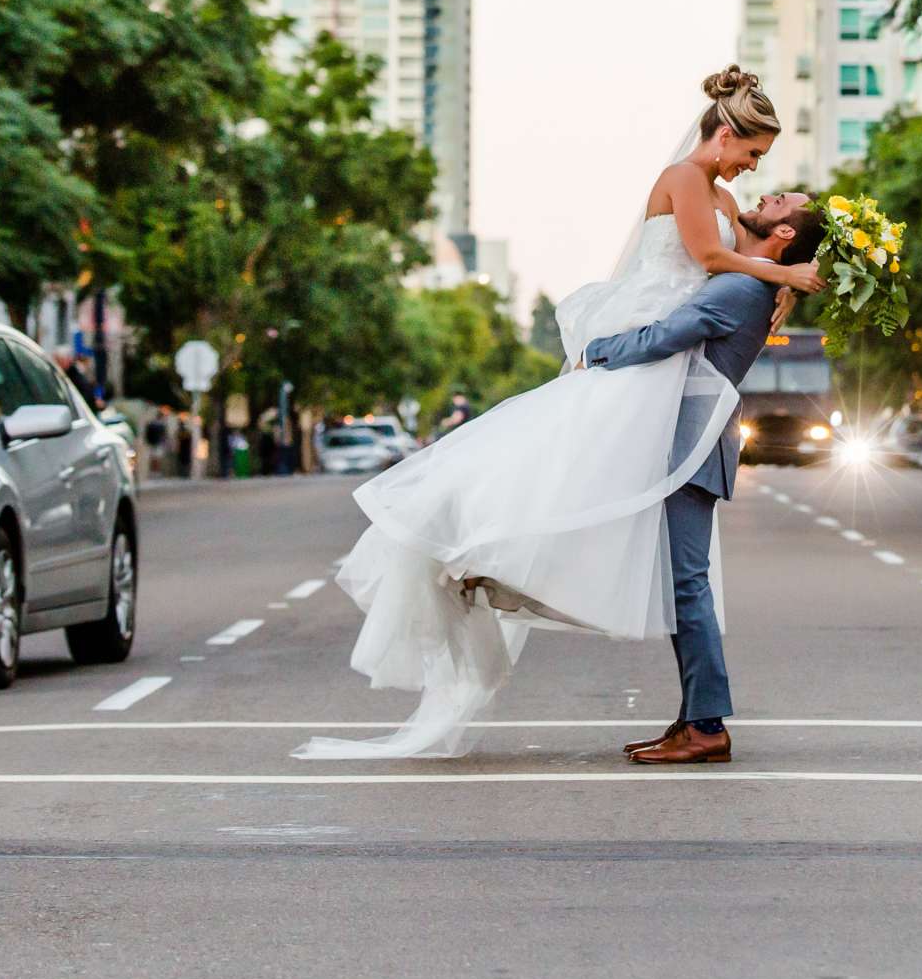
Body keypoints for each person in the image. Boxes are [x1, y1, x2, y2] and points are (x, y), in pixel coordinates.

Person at [294, 66, 824, 760]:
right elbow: (701, 261)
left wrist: (605, 350)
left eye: (768, 178)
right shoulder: (696, 194)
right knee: (566, 472)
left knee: (613, 512)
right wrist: (779, 276)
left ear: (782, 237)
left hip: (672, 409)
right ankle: (500, 565)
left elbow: (692, 299)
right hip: (664, 399)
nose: (757, 173)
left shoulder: (733, 255)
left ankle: (699, 719)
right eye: (755, 156)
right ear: (726, 132)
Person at [579, 206, 829, 765]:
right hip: (688, 442)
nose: (762, 201)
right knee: (682, 584)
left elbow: (664, 338)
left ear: (784, 233)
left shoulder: (741, 287)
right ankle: (695, 717)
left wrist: (593, 353)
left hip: (693, 445)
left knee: (688, 584)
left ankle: (707, 726)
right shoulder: (752, 282)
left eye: (776, 203)